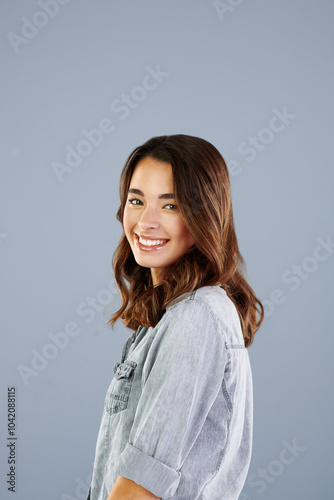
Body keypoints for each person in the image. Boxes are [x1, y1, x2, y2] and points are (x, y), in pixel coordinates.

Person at [86, 134, 264, 500]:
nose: (145, 222)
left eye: (171, 206)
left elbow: (141, 488)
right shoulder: (172, 316)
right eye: (136, 201)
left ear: (204, 214)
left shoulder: (195, 317)